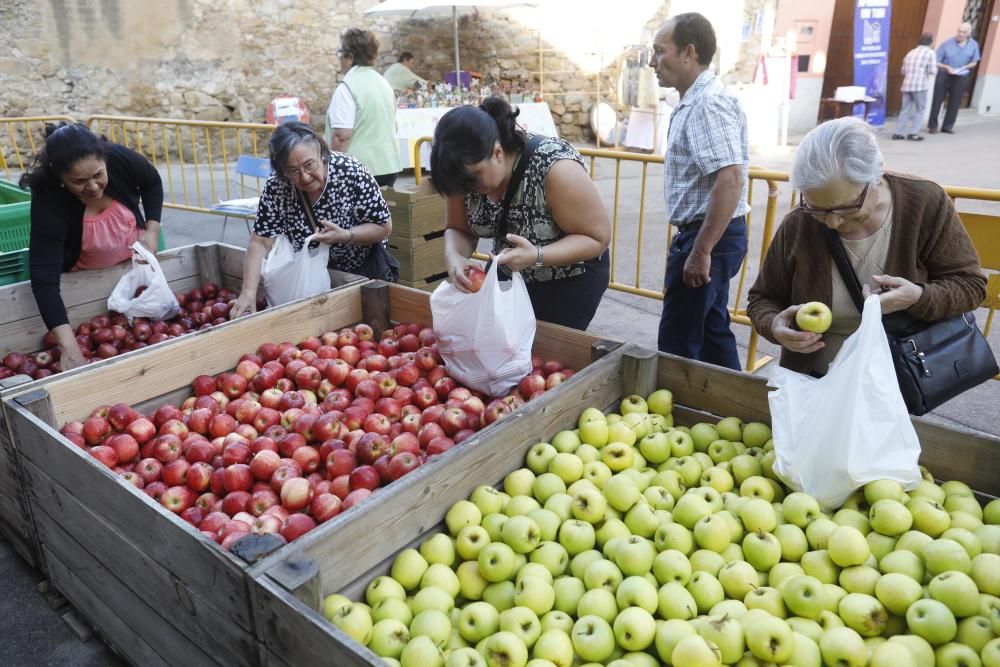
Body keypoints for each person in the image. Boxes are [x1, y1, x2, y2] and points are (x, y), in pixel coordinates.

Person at [748, 117, 986, 375]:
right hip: (814, 382)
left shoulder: (923, 203)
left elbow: (969, 286)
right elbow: (763, 298)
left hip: (896, 381)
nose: (832, 221)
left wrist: (917, 297)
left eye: (847, 208)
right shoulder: (799, 222)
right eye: (818, 209)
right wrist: (773, 325)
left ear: (876, 176)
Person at [430, 97, 611, 331]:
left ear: (497, 153)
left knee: (547, 353)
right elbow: (459, 229)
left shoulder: (555, 168)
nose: (467, 191)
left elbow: (597, 238)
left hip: (567, 279)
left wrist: (537, 255)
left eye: (473, 179)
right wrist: (454, 255)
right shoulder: (462, 173)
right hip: (511, 272)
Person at [649, 12, 751, 370]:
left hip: (709, 237)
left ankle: (669, 416)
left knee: (677, 342)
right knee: (711, 333)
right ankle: (737, 409)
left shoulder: (707, 104)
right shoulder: (697, 100)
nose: (652, 62)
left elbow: (731, 178)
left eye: (660, 51)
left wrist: (701, 250)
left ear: (688, 53)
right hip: (711, 236)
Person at [21, 123, 163, 370]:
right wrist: (69, 346)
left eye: (98, 175)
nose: (94, 187)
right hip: (84, 278)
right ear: (60, 177)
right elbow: (44, 277)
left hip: (134, 267)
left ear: (104, 160)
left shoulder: (118, 159)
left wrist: (151, 231)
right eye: (79, 181)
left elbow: (151, 182)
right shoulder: (49, 202)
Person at [230, 122, 392, 317]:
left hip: (359, 274)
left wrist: (346, 235)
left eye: (309, 165)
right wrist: (248, 293)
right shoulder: (278, 186)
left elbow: (383, 227)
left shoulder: (351, 172)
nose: (304, 177)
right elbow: (260, 241)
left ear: (321, 153)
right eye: (292, 170)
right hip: (308, 282)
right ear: (282, 170)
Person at [325, 28, 402, 187]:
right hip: (388, 166)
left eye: (341, 53)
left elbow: (341, 136)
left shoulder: (347, 87)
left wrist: (332, 171)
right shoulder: (383, 83)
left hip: (358, 170)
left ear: (350, 57)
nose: (339, 59)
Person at [928, 22, 981, 134]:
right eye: (959, 31)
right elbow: (935, 60)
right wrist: (946, 67)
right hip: (944, 74)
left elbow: (974, 61)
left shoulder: (973, 45)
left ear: (969, 33)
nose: (960, 34)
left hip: (961, 76)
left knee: (955, 102)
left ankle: (948, 126)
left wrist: (966, 67)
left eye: (963, 32)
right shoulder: (946, 44)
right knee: (937, 100)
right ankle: (933, 126)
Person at [893, 32, 936, 141]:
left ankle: (898, 133)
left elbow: (903, 70)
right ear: (931, 42)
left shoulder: (910, 52)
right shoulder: (930, 53)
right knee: (920, 109)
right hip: (920, 85)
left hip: (907, 84)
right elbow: (932, 70)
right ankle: (913, 133)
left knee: (904, 109)